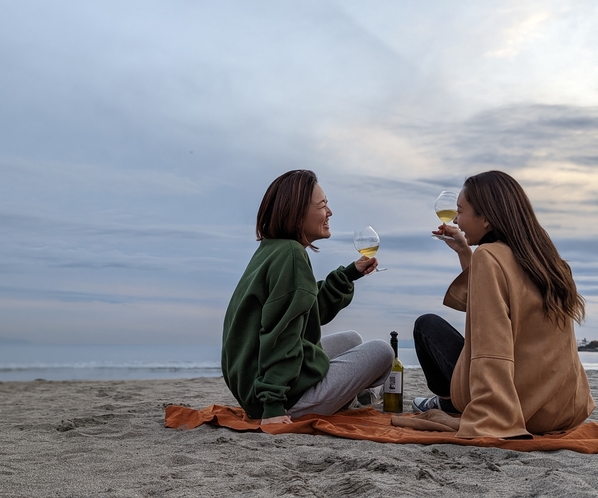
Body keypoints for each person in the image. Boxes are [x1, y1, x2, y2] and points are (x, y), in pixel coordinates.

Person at [412, 170, 595, 438]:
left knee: (426, 326)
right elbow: (487, 303)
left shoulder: (489, 256)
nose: (455, 219)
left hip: (517, 407)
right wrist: (465, 251)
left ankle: (447, 402)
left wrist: (491, 412)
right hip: (564, 407)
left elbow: (491, 345)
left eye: (460, 211)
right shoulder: (546, 260)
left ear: (485, 218)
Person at [221, 169, 394, 425]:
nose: (330, 212)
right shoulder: (291, 255)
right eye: (323, 205)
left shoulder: (273, 249)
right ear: (297, 212)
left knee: (352, 339)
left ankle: (343, 397)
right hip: (276, 399)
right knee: (382, 351)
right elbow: (281, 334)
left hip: (251, 381)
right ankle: (342, 401)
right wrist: (273, 406)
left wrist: (348, 275)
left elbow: (307, 311)